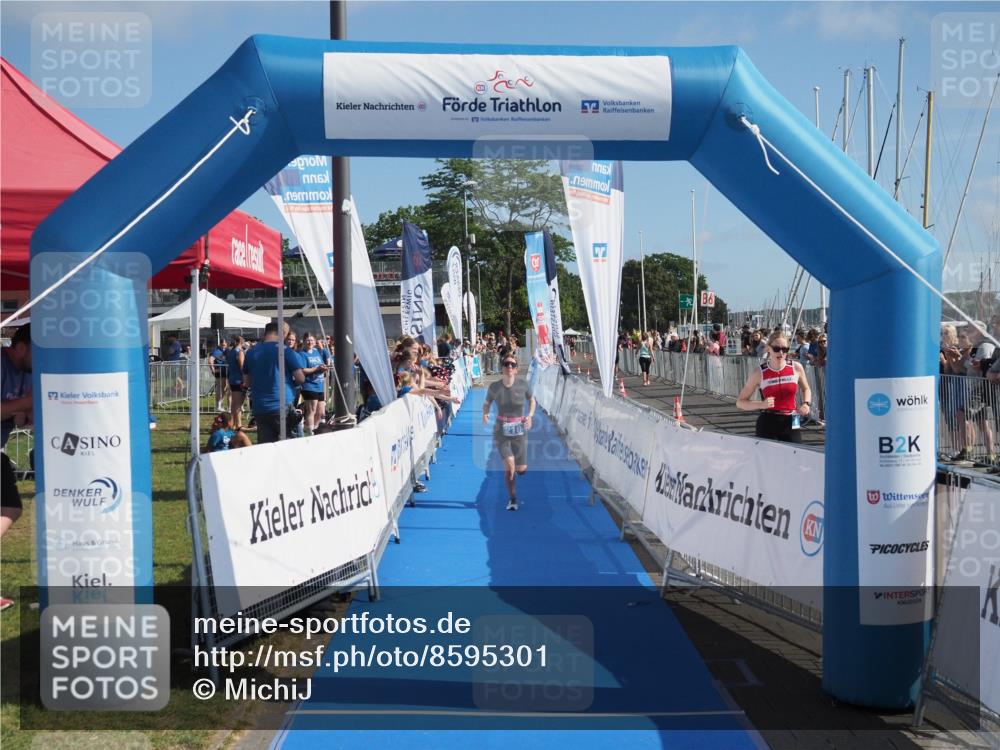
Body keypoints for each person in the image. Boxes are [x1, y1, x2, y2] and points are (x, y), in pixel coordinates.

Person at [1, 324, 32, 611]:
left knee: (9, 508)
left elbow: (23, 416)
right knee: (9, 508)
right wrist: (26, 403)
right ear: (20, 347)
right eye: (37, 353)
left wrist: (25, 413)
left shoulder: (26, 372)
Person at [736, 332, 812, 443]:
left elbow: (806, 388)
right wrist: (761, 404)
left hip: (793, 417)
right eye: (776, 349)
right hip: (768, 419)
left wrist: (806, 404)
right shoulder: (759, 372)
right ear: (768, 348)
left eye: (785, 349)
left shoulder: (796, 367)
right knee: (767, 454)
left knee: (797, 451)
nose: (781, 353)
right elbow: (740, 402)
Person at [482, 355, 535, 511]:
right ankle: (512, 499)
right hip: (501, 430)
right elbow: (487, 402)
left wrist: (530, 416)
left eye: (513, 364)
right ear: (502, 368)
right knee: (510, 468)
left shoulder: (523, 385)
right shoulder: (495, 387)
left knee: (521, 470)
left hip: (520, 430)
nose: (509, 367)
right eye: (506, 364)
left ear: (516, 369)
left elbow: (532, 400)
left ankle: (518, 469)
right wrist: (485, 413)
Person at [242, 322, 305, 443]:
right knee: (292, 445)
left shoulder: (251, 352)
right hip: (282, 405)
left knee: (267, 447)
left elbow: (247, 382)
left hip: (260, 407)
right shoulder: (285, 350)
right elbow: (300, 378)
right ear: (281, 333)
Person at [297, 332, 330, 436]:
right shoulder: (302, 354)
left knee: (321, 412)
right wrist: (317, 369)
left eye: (312, 340)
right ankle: (310, 433)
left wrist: (323, 368)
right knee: (312, 410)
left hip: (319, 385)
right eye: (307, 340)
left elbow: (322, 363)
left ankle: (315, 430)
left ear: (315, 341)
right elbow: (303, 370)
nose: (310, 342)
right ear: (304, 341)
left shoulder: (316, 352)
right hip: (309, 385)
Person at [224, 336, 246, 429]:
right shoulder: (239, 352)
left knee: (234, 403)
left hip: (232, 379)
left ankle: (232, 423)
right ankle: (238, 424)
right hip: (239, 379)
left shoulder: (230, 352)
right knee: (238, 404)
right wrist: (245, 377)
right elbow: (242, 366)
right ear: (240, 342)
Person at [208, 338, 229, 412]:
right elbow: (210, 360)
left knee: (224, 388)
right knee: (220, 389)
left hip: (225, 371)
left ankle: (219, 405)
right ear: (219, 344)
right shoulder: (217, 351)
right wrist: (212, 369)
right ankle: (218, 406)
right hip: (219, 371)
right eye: (222, 344)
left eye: (225, 344)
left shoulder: (226, 351)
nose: (224, 346)